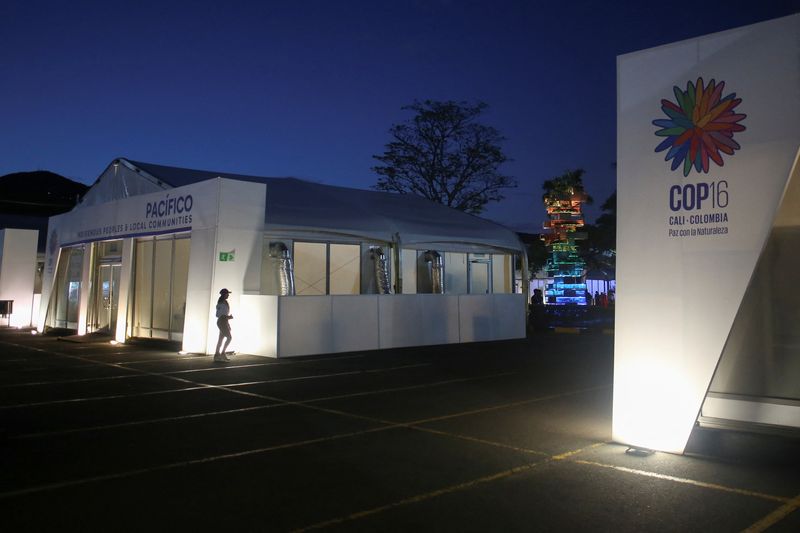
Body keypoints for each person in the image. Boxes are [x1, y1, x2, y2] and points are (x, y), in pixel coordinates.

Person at [214, 288, 233, 362]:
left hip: (223, 322)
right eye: (227, 293)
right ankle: (222, 353)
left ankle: (217, 355)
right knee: (229, 338)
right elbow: (220, 315)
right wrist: (229, 317)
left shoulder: (223, 302)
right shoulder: (222, 303)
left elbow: (220, 315)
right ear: (224, 294)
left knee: (221, 339)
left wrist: (227, 322)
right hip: (222, 321)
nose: (228, 295)